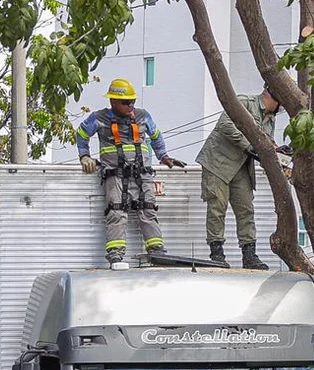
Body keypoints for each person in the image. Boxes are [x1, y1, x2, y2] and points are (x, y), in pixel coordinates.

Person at [76, 78, 184, 265]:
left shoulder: (143, 116)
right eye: (126, 102)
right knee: (116, 212)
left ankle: (157, 251)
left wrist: (163, 156)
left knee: (148, 210)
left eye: (132, 101)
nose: (130, 105)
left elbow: (156, 136)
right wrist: (84, 156)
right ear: (113, 101)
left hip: (142, 174)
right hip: (115, 175)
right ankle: (116, 256)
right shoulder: (99, 118)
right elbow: (82, 134)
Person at [195, 86, 282, 269]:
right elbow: (225, 125)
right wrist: (251, 146)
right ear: (274, 97)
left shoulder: (270, 119)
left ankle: (249, 254)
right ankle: (217, 253)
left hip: (242, 166)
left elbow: (265, 142)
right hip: (217, 162)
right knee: (217, 208)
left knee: (246, 210)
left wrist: (278, 151)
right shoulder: (244, 102)